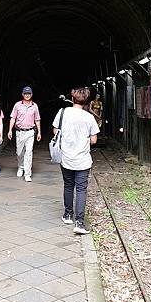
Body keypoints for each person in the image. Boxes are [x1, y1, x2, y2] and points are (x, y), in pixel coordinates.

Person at [53, 86, 99, 235]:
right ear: (86, 101)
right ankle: (79, 222)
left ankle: (67, 215)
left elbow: (55, 131)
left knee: (68, 185)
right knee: (81, 189)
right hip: (83, 160)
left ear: (72, 99)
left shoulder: (63, 113)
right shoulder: (89, 117)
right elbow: (93, 140)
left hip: (66, 157)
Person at [8, 86, 41, 182]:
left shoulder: (34, 106)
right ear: (22, 95)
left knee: (29, 152)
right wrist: (10, 130)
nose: (27, 95)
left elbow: (37, 119)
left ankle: (27, 173)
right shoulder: (17, 105)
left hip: (30, 132)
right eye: (25, 94)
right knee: (19, 152)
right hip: (19, 132)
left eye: (29, 94)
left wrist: (39, 132)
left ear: (31, 95)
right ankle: (20, 167)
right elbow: (13, 118)